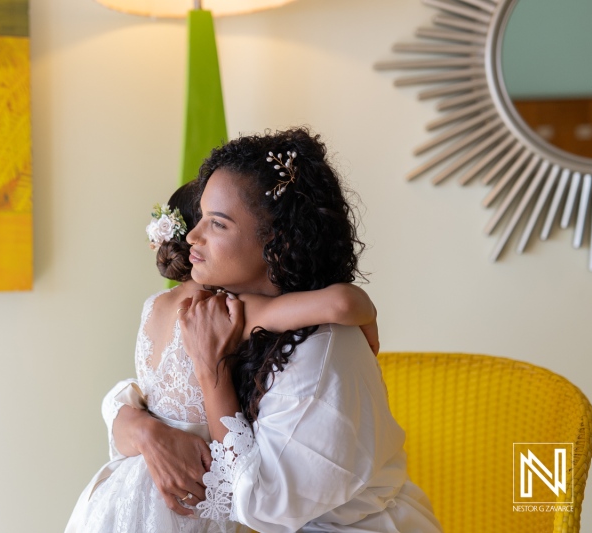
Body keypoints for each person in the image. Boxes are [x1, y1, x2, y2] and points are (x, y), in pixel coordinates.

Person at [115, 128, 443, 532]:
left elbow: (259, 502)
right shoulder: (223, 315)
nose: (194, 235)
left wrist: (211, 371)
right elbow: (145, 395)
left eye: (217, 224)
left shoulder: (317, 345)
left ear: (277, 242)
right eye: (199, 217)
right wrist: (143, 430)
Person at [65, 180, 381, 533]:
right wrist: (368, 314)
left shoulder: (153, 307)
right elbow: (340, 303)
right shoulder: (224, 310)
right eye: (213, 221)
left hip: (123, 492)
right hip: (187, 499)